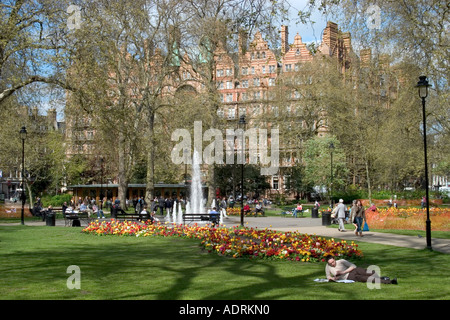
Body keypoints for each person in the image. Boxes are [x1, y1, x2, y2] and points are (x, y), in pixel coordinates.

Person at [325, 256, 397, 284]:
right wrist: (333, 278)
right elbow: (328, 276)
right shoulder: (328, 266)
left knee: (371, 272)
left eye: (333, 262)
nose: (332, 264)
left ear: (334, 259)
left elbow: (353, 266)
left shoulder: (341, 261)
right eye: (330, 263)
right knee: (367, 278)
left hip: (353, 270)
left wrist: (343, 272)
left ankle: (381, 278)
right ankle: (390, 281)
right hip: (349, 277)